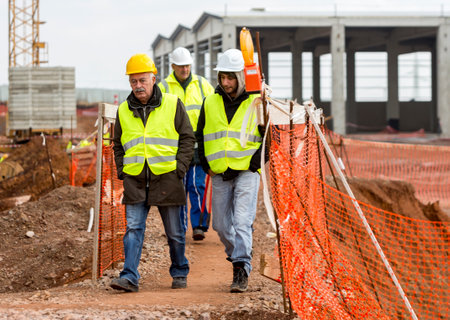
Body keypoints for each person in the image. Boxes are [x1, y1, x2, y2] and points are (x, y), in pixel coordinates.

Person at [110, 53, 195, 292]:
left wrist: (180, 168)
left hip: (167, 177)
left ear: (153, 79)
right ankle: (129, 276)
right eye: (133, 81)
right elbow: (117, 144)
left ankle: (179, 270)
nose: (138, 86)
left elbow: (187, 137)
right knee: (133, 229)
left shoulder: (172, 103)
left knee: (175, 233)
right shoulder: (124, 110)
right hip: (135, 179)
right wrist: (122, 171)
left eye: (142, 80)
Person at [196, 49, 264, 293]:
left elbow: (269, 136)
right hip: (220, 172)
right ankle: (240, 255)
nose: (226, 83)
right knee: (221, 227)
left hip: (246, 170)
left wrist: (255, 162)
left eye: (231, 77)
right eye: (223, 77)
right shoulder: (210, 101)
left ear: (241, 77)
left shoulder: (257, 100)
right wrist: (205, 163)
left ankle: (240, 267)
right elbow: (200, 134)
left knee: (242, 222)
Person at [158, 47, 214, 241]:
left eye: (187, 66)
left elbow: (214, 109)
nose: (184, 70)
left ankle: (198, 226)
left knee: (197, 186)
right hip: (174, 149)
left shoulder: (202, 85)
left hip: (198, 146)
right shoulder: (163, 87)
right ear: (173, 66)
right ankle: (178, 229)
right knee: (178, 189)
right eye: (181, 66)